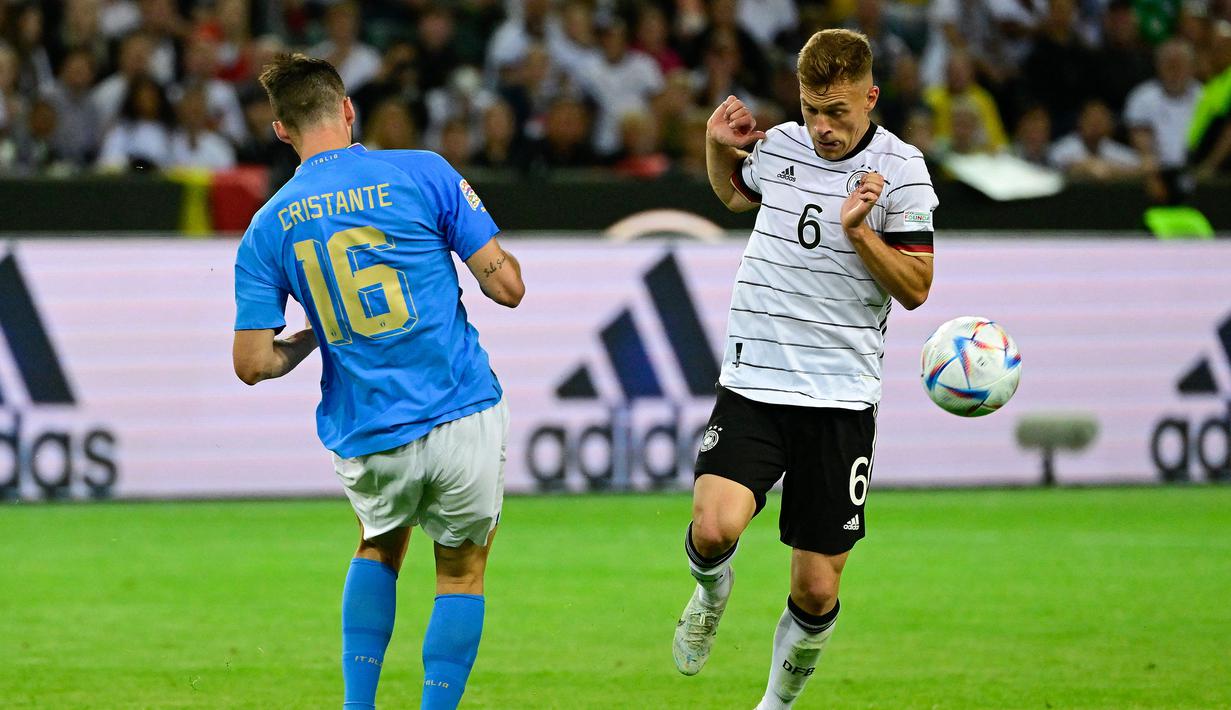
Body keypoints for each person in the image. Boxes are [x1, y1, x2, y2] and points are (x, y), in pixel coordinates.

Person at [231, 53, 524, 710]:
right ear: (347, 110)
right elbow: (506, 288)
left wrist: (311, 337)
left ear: (281, 130)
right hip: (461, 409)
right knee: (461, 571)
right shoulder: (422, 172)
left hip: (368, 429)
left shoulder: (268, 224)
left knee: (378, 545)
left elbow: (252, 363)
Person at [673, 29, 937, 710]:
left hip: (840, 397)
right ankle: (711, 591)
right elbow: (735, 195)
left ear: (869, 98)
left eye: (836, 112)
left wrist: (860, 231)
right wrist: (715, 147)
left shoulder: (902, 170)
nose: (821, 127)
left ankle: (775, 704)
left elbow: (915, 287)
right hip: (755, 379)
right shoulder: (782, 146)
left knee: (816, 588)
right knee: (713, 528)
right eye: (811, 109)